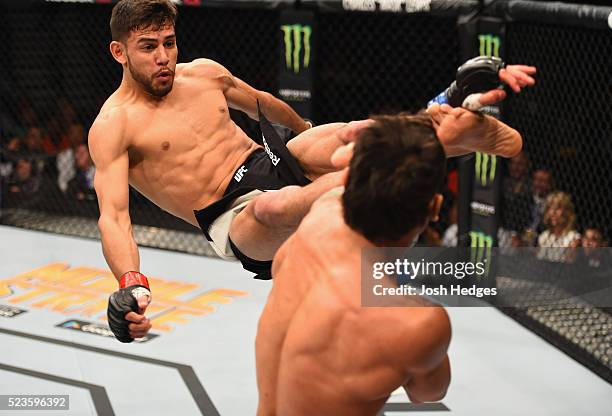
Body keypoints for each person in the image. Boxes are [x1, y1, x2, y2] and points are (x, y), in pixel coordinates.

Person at [94, 0, 536, 342]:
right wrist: (131, 282)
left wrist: (309, 135)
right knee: (276, 207)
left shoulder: (204, 75)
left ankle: (449, 103)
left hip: (267, 161)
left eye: (169, 42)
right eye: (148, 47)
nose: (163, 57)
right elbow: (114, 217)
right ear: (119, 52)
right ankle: (406, 150)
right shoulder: (115, 125)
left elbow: (265, 103)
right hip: (232, 216)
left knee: (350, 134)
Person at [256, 112, 468, 415]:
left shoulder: (319, 216)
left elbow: (378, 161)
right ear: (435, 207)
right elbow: (429, 392)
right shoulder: (418, 322)